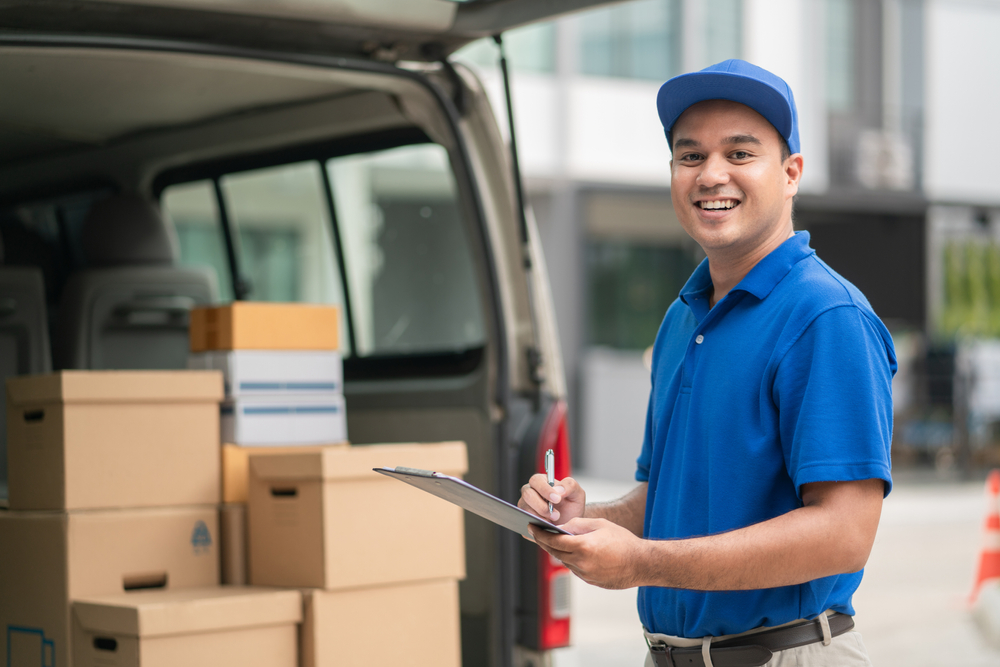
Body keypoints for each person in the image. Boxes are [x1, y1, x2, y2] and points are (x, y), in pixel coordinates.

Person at [519, 59, 895, 667]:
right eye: (690, 156)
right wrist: (585, 519)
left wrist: (642, 563)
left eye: (740, 154)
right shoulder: (681, 321)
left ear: (791, 172)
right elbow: (665, 500)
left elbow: (843, 535)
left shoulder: (826, 317)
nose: (710, 174)